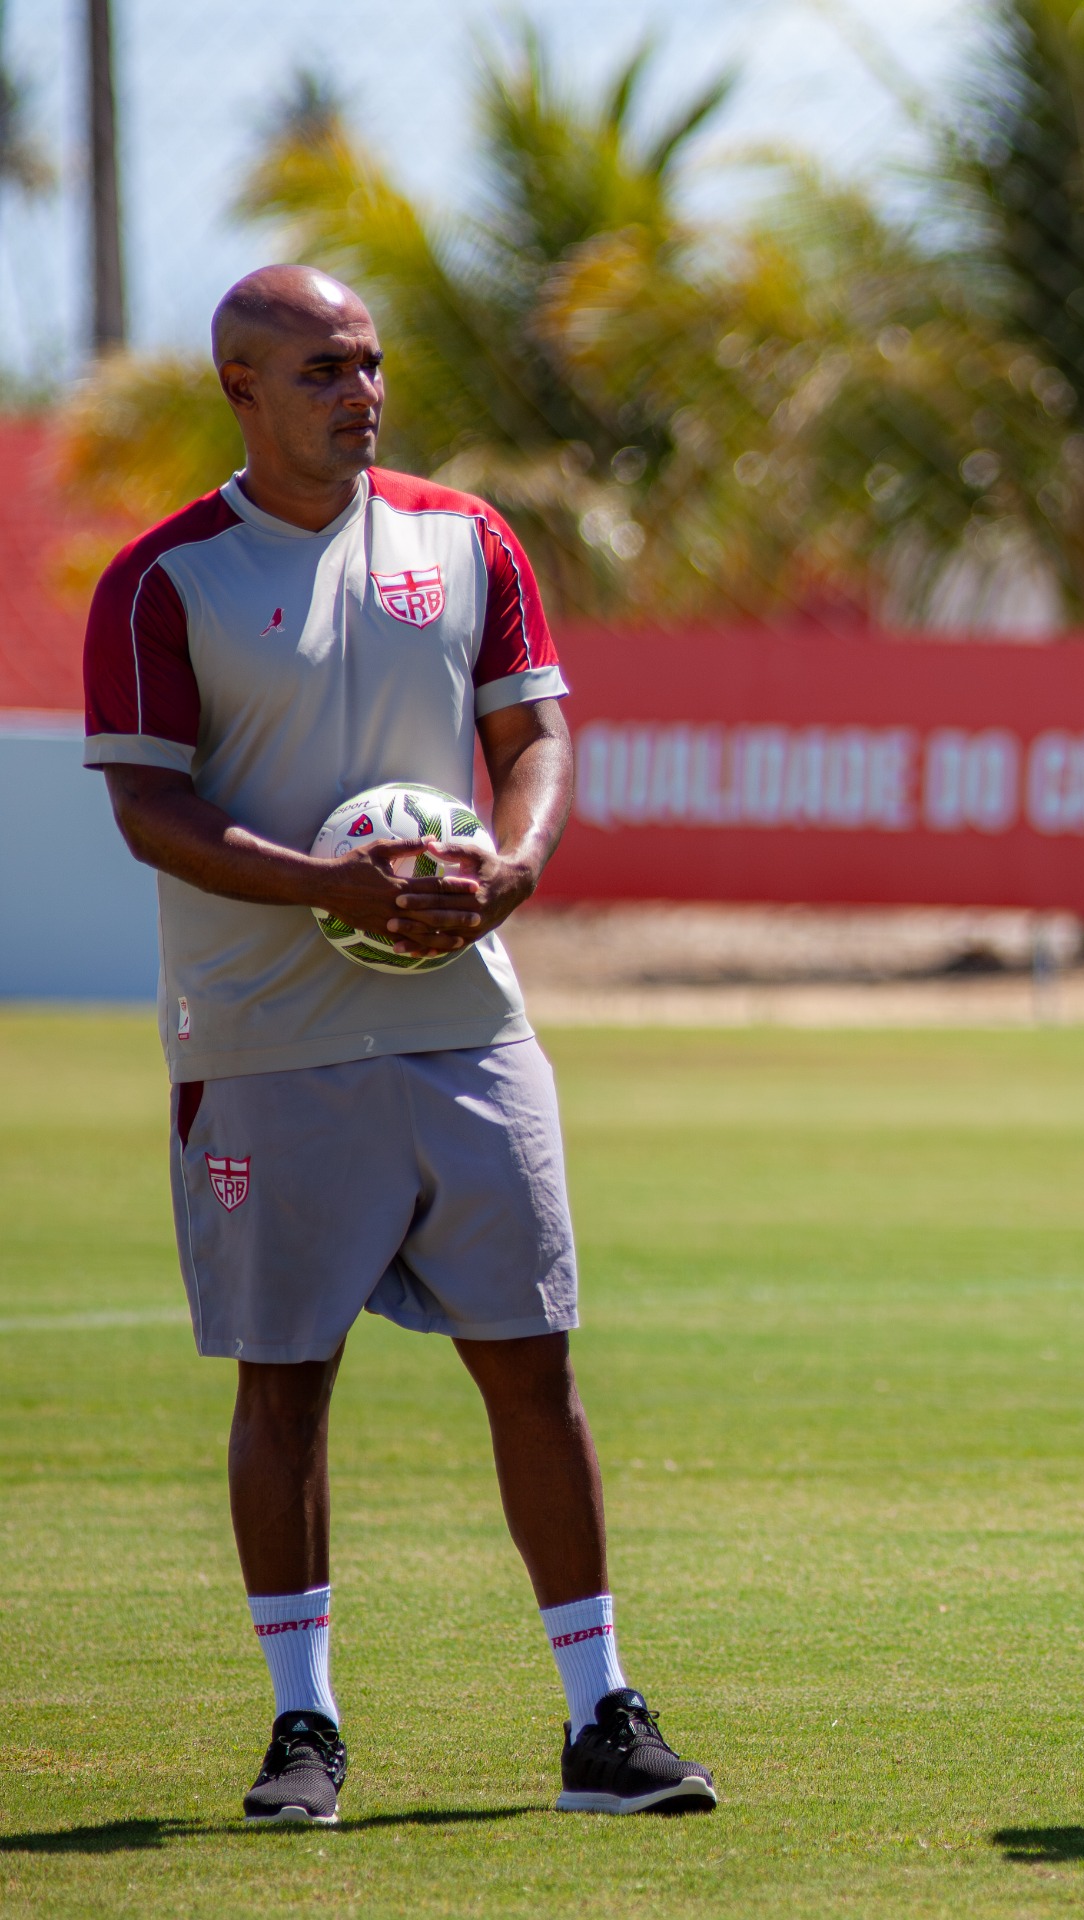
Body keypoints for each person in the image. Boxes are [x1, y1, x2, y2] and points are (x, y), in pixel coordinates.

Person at [82, 266, 715, 1825]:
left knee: (536, 1365)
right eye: (318, 369)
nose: (358, 391)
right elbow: (145, 805)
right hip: (264, 1038)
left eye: (368, 363)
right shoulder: (166, 582)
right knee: (284, 1384)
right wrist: (323, 888)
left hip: (466, 1023)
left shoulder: (465, 537)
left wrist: (510, 868)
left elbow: (537, 737)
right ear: (240, 384)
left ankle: (602, 1719)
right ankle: (303, 1730)